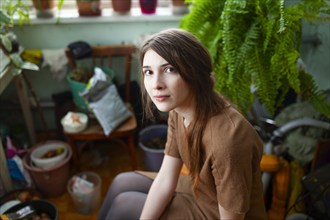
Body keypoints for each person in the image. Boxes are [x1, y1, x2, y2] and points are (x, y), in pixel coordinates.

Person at [97, 28, 267, 220]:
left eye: (169, 69)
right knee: (122, 182)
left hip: (222, 213)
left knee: (124, 204)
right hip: (201, 191)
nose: (156, 84)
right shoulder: (178, 109)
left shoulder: (228, 140)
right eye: (149, 72)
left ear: (194, 71)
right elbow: (166, 178)